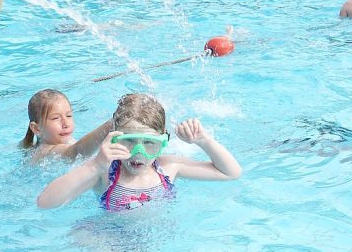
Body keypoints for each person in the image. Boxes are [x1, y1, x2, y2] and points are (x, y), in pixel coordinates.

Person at [37, 93, 241, 210]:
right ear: (114, 139)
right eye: (128, 142)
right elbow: (45, 203)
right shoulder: (105, 173)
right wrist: (93, 165)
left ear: (163, 142)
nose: (138, 152)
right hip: (110, 240)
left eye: (149, 143)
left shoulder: (168, 167)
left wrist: (204, 141)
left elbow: (231, 173)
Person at [20, 89, 112, 165]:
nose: (66, 123)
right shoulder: (46, 150)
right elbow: (76, 152)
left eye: (69, 116)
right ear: (36, 128)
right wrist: (111, 125)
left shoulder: (62, 139)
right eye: (55, 118)